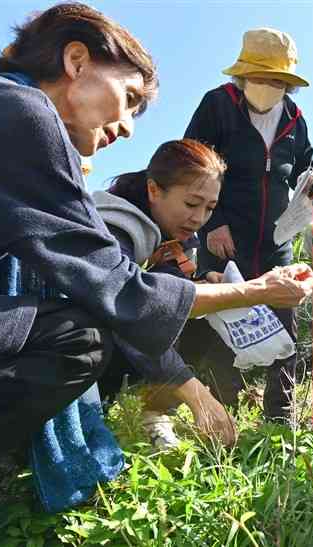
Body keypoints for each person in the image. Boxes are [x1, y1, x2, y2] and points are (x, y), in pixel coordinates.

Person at [0, 4, 313, 469]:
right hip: (233, 256)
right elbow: (116, 291)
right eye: (129, 96)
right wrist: (255, 291)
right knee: (84, 336)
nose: (129, 126)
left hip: (264, 242)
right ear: (77, 62)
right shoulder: (27, 114)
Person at [182, 28, 313, 422]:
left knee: (285, 322)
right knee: (224, 322)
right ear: (242, 76)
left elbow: (306, 165)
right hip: (225, 236)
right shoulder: (217, 106)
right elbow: (192, 165)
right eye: (263, 78)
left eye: (279, 80)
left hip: (276, 239)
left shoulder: (294, 118)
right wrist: (213, 224)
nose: (271, 87)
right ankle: (222, 411)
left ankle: (281, 415)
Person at [93, 138, 241, 449]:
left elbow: (167, 293)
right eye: (191, 204)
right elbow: (128, 309)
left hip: (116, 341)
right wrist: (195, 394)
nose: (199, 218)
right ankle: (88, 417)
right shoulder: (111, 229)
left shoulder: (178, 238)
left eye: (210, 208)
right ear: (153, 190)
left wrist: (202, 284)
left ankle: (157, 412)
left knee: (205, 305)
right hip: (65, 341)